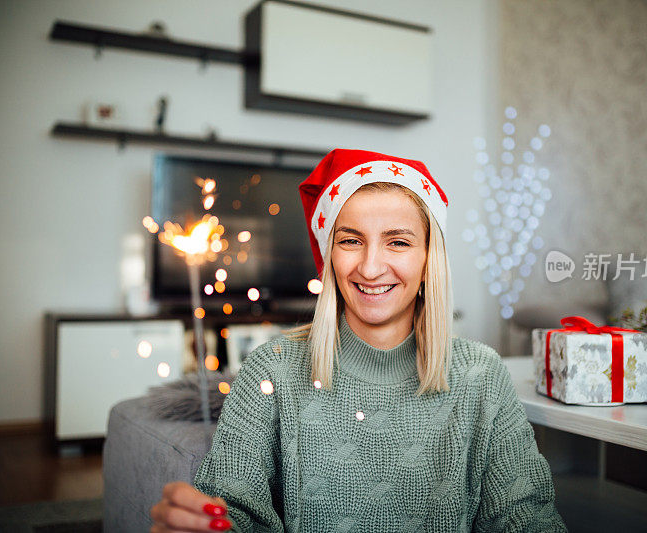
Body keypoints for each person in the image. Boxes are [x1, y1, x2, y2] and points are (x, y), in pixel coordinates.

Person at [150, 149, 566, 532]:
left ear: (428, 259)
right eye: (351, 241)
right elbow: (236, 510)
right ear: (329, 255)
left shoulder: (481, 374)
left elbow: (526, 517)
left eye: (398, 242)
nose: (370, 267)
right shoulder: (271, 368)